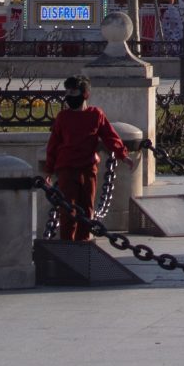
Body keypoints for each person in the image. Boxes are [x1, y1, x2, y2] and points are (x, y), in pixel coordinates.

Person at [39, 75, 129, 242]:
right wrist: (49, 170)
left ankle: (83, 244)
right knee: (68, 211)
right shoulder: (63, 117)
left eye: (74, 93)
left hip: (88, 169)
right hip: (66, 168)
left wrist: (122, 154)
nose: (70, 97)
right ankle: (68, 246)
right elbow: (53, 145)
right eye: (68, 93)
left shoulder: (96, 115)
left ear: (85, 94)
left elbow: (110, 136)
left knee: (87, 209)